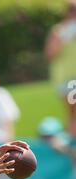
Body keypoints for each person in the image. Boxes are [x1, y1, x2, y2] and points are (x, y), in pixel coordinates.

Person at [45, 0, 76, 138]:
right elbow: (50, 53)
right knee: (73, 111)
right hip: (68, 78)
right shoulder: (60, 30)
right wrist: (64, 37)